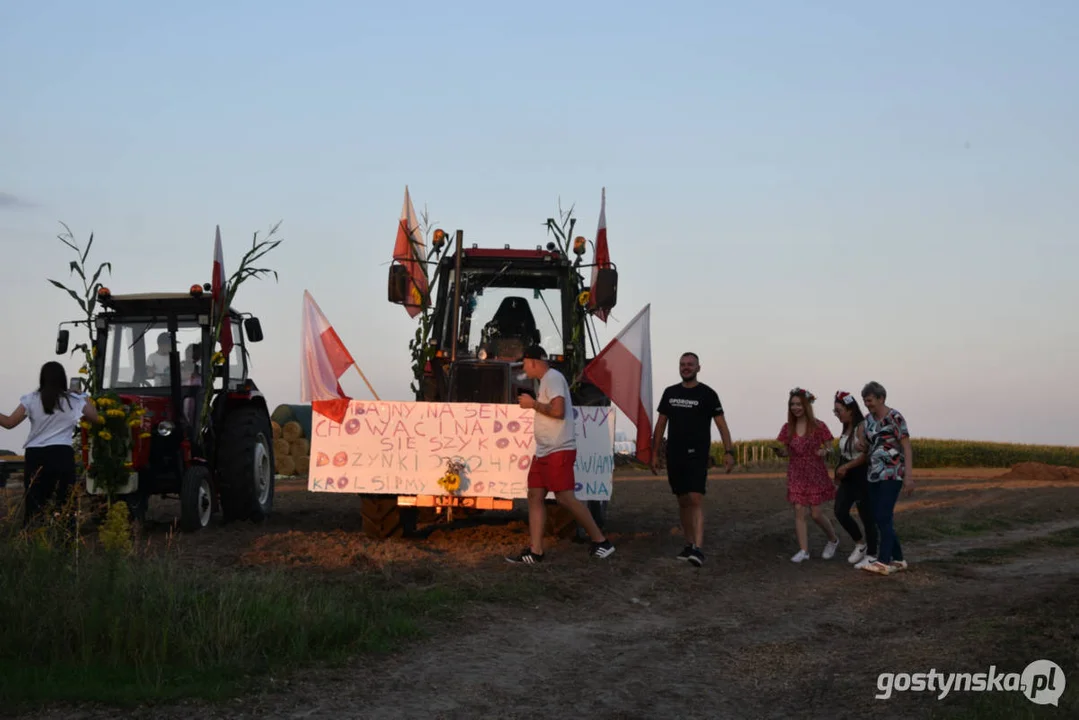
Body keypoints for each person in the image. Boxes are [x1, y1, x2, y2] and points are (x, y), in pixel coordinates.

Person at [506, 345, 615, 564]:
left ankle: (601, 541)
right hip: (545, 450)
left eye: (525, 363)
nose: (524, 368)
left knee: (565, 498)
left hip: (558, 449)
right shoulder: (546, 380)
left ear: (534, 361)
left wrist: (532, 404)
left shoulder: (553, 378)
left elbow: (558, 411)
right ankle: (535, 551)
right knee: (535, 495)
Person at [650, 352, 734, 567]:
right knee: (683, 500)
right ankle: (688, 544)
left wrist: (728, 451)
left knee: (695, 498)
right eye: (682, 364)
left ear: (698, 368)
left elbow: (721, 425)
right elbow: (660, 425)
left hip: (697, 454)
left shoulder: (708, 394)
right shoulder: (670, 393)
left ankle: (698, 548)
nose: (686, 367)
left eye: (690, 364)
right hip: (674, 455)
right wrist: (654, 453)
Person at [0, 361, 100, 526]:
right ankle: (64, 542)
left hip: (35, 456)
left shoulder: (31, 399)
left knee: (35, 504)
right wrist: (83, 396)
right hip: (62, 455)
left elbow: (10, 423)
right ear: (63, 379)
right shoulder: (74, 400)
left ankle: (33, 541)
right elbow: (96, 418)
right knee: (65, 504)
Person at [775, 388, 840, 563]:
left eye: (798, 404)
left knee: (816, 514)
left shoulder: (819, 426)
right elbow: (786, 450)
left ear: (806, 405)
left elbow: (830, 447)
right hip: (796, 472)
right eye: (792, 404)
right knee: (798, 510)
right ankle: (804, 550)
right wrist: (781, 453)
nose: (795, 407)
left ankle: (833, 540)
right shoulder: (787, 428)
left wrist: (824, 451)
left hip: (815, 473)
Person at [860, 381, 913, 575]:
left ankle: (883, 561)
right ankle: (898, 559)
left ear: (881, 398)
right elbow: (869, 444)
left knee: (883, 515)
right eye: (865, 401)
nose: (867, 404)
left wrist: (909, 476)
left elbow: (906, 446)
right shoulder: (868, 420)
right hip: (873, 474)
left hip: (892, 473)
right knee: (880, 517)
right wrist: (862, 447)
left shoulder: (895, 417)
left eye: (870, 400)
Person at [832, 391, 878, 568]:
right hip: (848, 478)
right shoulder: (846, 427)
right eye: (835, 411)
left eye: (839, 411)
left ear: (850, 409)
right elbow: (845, 454)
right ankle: (860, 544)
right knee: (840, 511)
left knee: (867, 516)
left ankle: (872, 554)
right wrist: (839, 471)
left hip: (862, 476)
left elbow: (865, 456)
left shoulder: (861, 426)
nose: (837, 415)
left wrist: (846, 467)